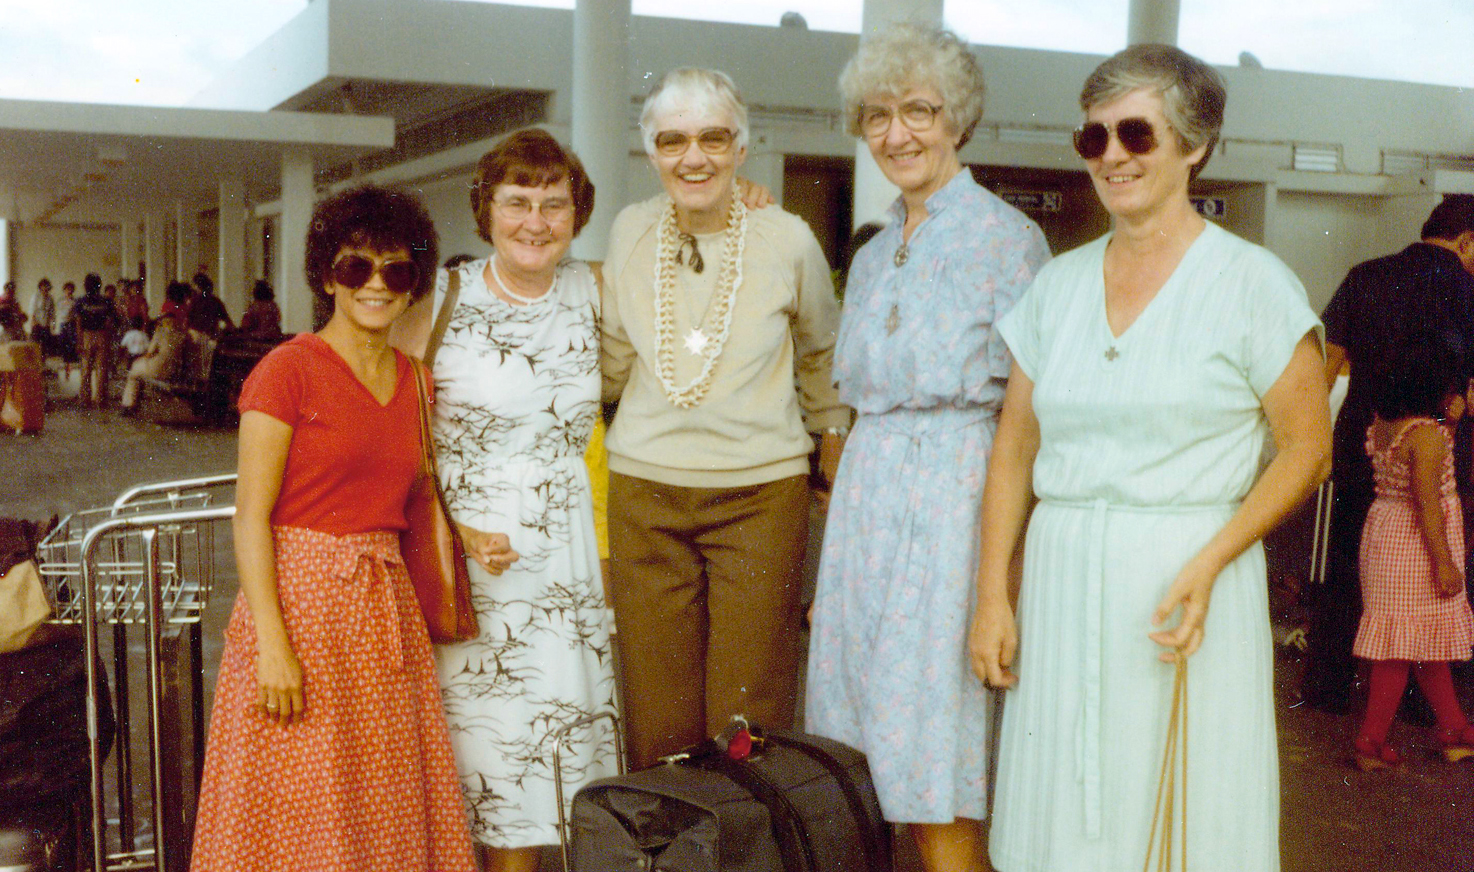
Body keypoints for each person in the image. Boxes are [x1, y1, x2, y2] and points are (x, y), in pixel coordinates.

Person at [967, 45, 1330, 872]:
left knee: (1184, 816)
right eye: (1093, 139)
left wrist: (1212, 561)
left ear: (1195, 145)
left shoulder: (1252, 283)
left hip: (1185, 579)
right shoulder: (1054, 289)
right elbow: (1015, 448)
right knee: (1062, 806)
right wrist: (994, 594)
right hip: (1061, 582)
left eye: (1136, 133)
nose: (1113, 156)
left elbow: (1307, 449)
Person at [803, 23, 1050, 872]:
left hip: (954, 501)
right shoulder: (872, 255)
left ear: (958, 119)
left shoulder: (1009, 240)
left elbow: (1031, 416)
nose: (896, 133)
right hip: (869, 507)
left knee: (936, 773)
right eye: (877, 114)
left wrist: (1002, 577)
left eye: (919, 110)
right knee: (863, 757)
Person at [190, 185, 475, 872]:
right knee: (299, 805)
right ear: (327, 276)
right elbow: (251, 517)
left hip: (384, 617)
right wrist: (272, 648)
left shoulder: (417, 382)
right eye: (357, 268)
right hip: (300, 610)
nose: (376, 285)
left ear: (413, 285)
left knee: (377, 797)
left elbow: (403, 503)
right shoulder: (286, 371)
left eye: (396, 271)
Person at [601, 68, 847, 770]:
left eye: (714, 137)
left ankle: (745, 845)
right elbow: (614, 354)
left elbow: (821, 354)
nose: (694, 156)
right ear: (651, 153)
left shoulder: (788, 237)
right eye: (673, 140)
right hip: (645, 491)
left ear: (742, 147)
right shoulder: (629, 231)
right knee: (657, 710)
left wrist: (831, 439)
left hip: (760, 497)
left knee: (749, 711)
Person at [389, 128, 616, 872]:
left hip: (563, 559)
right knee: (484, 759)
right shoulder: (442, 298)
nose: (536, 221)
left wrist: (744, 201)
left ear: (577, 215)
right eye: (517, 202)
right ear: (484, 210)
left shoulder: (597, 287)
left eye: (555, 204)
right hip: (469, 561)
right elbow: (392, 421)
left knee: (552, 761)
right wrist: (449, 525)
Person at [1305, 194, 1474, 714]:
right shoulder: (1469, 289)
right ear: (1468, 241)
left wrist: (1312, 447)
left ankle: (1327, 689)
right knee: (1433, 576)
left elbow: (1326, 364)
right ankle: (1422, 708)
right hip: (1440, 446)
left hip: (1366, 441)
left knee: (1351, 565)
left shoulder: (1364, 275)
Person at [1351, 338, 1474, 769]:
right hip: (1417, 546)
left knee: (1419, 637)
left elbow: (1429, 442)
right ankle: (1370, 741)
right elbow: (1426, 500)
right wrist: (1444, 562)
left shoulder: (1388, 424)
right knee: (1402, 647)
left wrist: (1449, 417)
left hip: (1385, 535)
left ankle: (1455, 727)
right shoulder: (1426, 436)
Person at [119, 310, 186, 413]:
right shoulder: (181, 336)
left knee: (134, 371)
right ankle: (133, 402)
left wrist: (140, 359)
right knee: (137, 371)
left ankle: (128, 404)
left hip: (157, 367)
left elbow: (149, 353)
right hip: (173, 369)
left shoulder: (160, 333)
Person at [72, 274, 120, 407]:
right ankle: (101, 400)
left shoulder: (80, 301)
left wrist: (79, 341)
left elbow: (78, 322)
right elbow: (111, 321)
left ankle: (84, 399)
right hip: (103, 335)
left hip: (86, 335)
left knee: (86, 369)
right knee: (102, 369)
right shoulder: (107, 301)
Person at [186, 273, 235, 339]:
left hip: (195, 337)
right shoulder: (215, 301)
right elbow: (227, 321)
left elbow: (187, 321)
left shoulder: (194, 302)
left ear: (197, 286)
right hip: (211, 336)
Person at [27, 279, 55, 349]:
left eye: (46, 287)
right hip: (37, 324)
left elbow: (52, 312)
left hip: (46, 324)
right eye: (43, 286)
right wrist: (34, 322)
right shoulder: (35, 297)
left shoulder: (50, 298)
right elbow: (32, 310)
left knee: (45, 346)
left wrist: (53, 324)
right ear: (40, 287)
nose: (45, 288)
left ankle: (43, 359)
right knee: (35, 345)